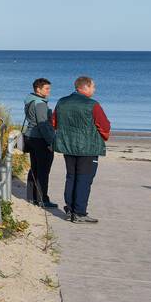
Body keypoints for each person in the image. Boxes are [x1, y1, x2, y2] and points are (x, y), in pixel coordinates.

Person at [51, 75, 111, 223]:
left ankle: (71, 209)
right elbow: (104, 126)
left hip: (68, 146)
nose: (94, 89)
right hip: (87, 148)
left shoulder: (62, 102)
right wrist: (103, 136)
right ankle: (79, 213)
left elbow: (53, 122)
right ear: (85, 87)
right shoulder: (92, 104)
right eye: (93, 86)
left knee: (71, 177)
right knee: (84, 179)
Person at [22, 78, 57, 208]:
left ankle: (32, 197)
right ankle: (43, 199)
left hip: (30, 137)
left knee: (35, 168)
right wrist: (51, 141)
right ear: (38, 89)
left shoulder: (30, 100)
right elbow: (43, 125)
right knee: (43, 170)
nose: (49, 91)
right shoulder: (40, 103)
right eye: (47, 88)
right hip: (40, 139)